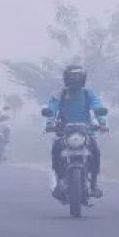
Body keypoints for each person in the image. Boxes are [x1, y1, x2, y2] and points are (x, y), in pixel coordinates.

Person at [46, 64, 108, 199]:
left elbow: (97, 106)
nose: (75, 80)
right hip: (64, 131)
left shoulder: (88, 93)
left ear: (83, 79)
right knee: (56, 149)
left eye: (77, 77)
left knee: (95, 151)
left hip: (86, 132)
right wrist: (50, 123)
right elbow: (52, 108)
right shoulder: (60, 93)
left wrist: (102, 123)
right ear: (66, 78)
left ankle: (94, 184)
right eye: (72, 77)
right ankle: (60, 180)